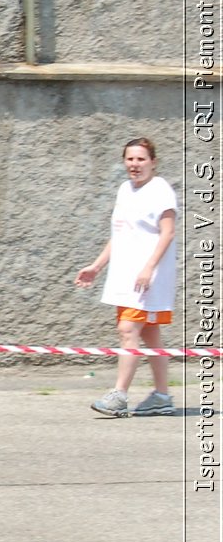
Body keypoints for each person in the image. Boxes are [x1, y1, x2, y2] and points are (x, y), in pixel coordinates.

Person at [74, 137, 177, 418]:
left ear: (153, 162)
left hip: (146, 278)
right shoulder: (124, 190)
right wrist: (97, 266)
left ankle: (118, 395)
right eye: (130, 159)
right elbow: (119, 235)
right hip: (125, 276)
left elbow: (168, 232)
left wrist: (149, 268)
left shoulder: (161, 190)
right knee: (149, 333)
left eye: (141, 159)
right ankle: (162, 396)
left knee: (127, 330)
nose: (135, 164)